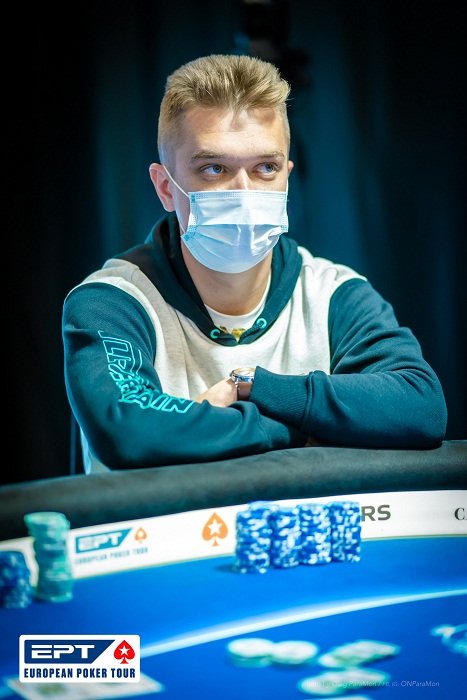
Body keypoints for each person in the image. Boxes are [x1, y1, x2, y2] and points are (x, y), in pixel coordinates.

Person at [62, 54, 447, 473]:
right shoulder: (112, 302)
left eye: (266, 167)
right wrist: (295, 430)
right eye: (214, 168)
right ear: (165, 188)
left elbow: (420, 407)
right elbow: (128, 433)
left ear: (287, 175)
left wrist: (252, 387)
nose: (244, 193)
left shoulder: (334, 293)